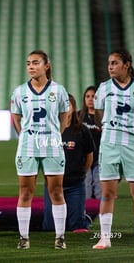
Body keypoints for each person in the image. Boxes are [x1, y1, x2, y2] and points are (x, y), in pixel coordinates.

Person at [92, 49, 134, 250]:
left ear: (126, 65)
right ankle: (104, 238)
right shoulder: (103, 88)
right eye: (109, 63)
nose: (110, 66)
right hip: (110, 145)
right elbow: (99, 116)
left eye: (115, 63)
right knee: (107, 193)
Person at [10, 50, 69, 250]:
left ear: (47, 65)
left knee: (56, 192)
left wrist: (56, 136)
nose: (31, 66)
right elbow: (16, 117)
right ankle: (24, 238)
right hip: (27, 145)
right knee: (25, 192)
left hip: (52, 145)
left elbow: (65, 116)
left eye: (35, 62)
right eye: (28, 63)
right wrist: (25, 136)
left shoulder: (58, 90)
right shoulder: (19, 92)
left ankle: (60, 237)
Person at [43, 94, 95, 232]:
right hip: (52, 184)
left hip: (75, 185)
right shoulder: (49, 130)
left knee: (77, 227)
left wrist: (80, 173)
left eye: (68, 104)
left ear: (73, 108)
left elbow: (89, 156)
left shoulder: (82, 130)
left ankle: (83, 218)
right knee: (50, 228)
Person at [79, 86, 102, 199]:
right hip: (84, 160)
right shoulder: (79, 117)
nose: (90, 99)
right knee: (86, 193)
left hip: (100, 160)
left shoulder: (103, 117)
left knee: (100, 193)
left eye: (93, 96)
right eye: (87, 96)